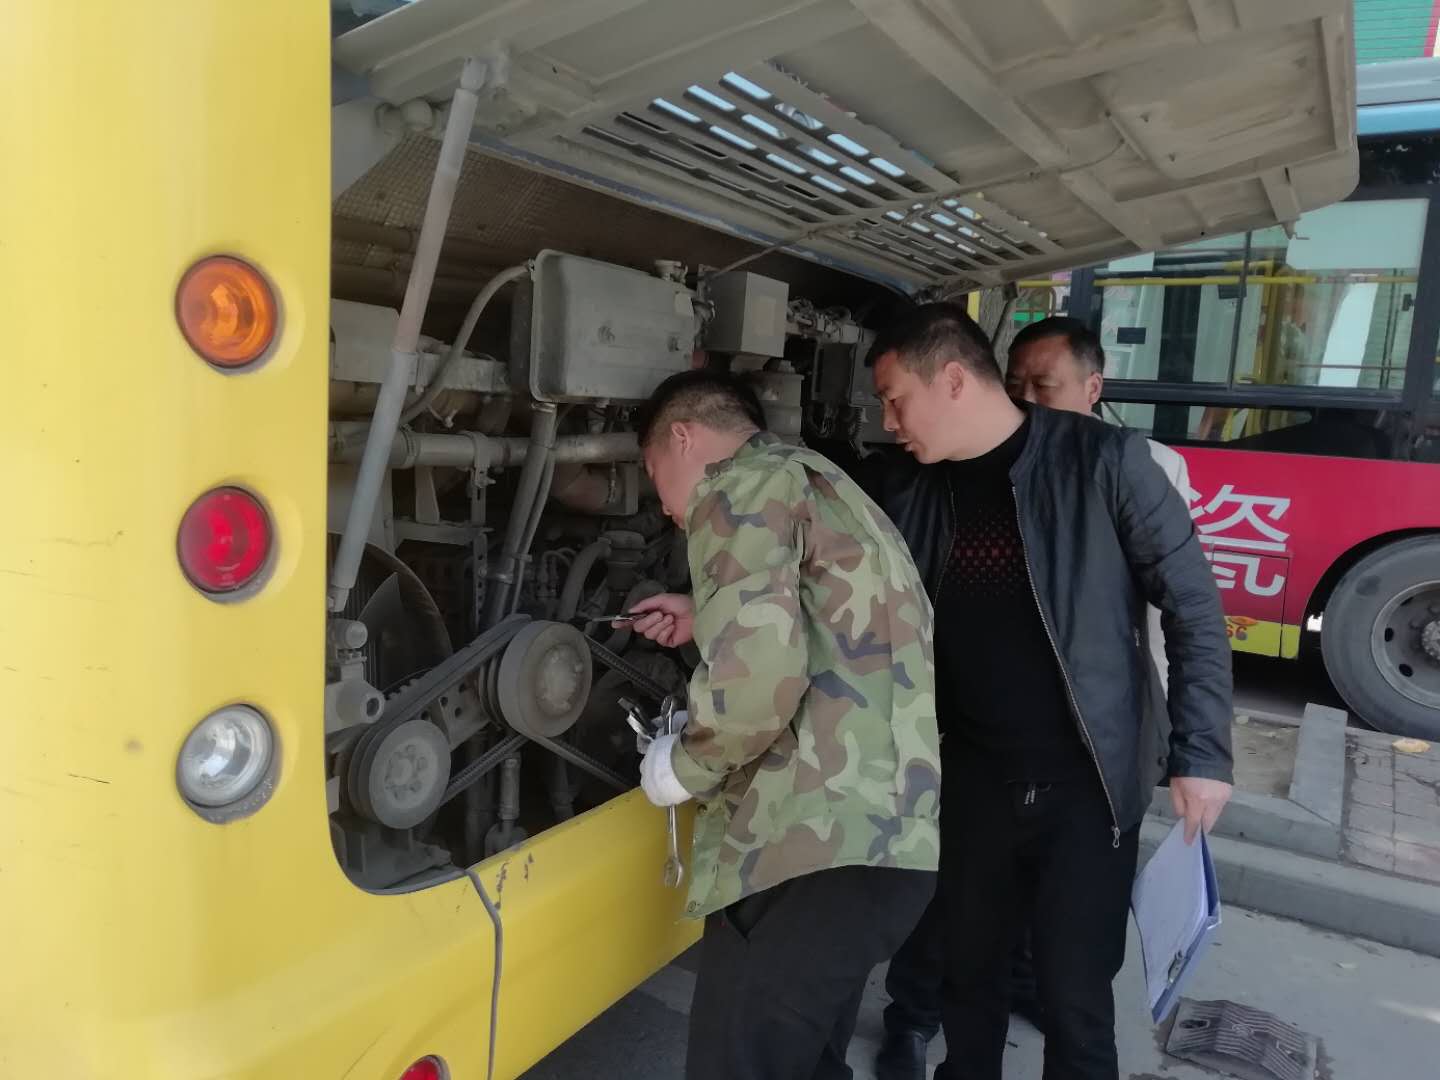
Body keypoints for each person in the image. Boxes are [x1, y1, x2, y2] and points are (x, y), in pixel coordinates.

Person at [862, 304, 1233, 1080]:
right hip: (970, 776)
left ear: (952, 380)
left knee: (1074, 999)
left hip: (1088, 783)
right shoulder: (909, 484)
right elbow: (826, 566)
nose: (889, 421)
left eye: (896, 399)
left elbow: (1194, 606)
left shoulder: (1104, 462)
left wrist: (1202, 753)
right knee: (970, 982)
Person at [624, 369, 943, 1080]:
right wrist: (706, 614)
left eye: (654, 473)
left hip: (805, 849)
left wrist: (684, 765)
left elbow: (759, 681)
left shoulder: (736, 489)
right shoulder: (823, 482)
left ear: (683, 437)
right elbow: (846, 624)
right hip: (882, 844)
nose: (665, 506)